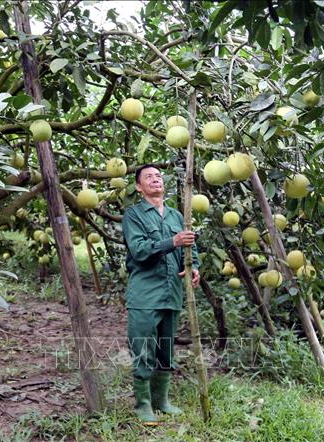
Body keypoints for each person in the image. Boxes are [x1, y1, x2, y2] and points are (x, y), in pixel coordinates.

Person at [121, 164, 200, 425]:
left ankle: (161, 400)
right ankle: (143, 404)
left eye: (158, 176)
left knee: (166, 348)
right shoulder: (134, 215)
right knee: (143, 347)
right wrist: (172, 242)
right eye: (148, 177)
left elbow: (190, 246)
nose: (155, 180)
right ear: (138, 187)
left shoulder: (177, 215)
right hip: (145, 292)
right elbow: (139, 250)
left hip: (172, 293)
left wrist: (194, 267)